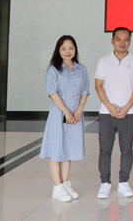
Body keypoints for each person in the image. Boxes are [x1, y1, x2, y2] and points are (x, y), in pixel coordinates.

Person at [39, 35, 89, 202]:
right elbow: (52, 92)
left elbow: (85, 91)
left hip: (76, 113)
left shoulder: (81, 69)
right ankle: (57, 186)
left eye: (71, 48)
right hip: (60, 112)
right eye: (63, 48)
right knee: (56, 149)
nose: (68, 51)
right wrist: (66, 111)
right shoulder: (53, 69)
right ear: (58, 51)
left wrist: (79, 110)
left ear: (75, 49)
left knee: (68, 149)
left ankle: (65, 183)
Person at [95, 27, 133, 199]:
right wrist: (109, 106)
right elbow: (98, 85)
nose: (122, 43)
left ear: (130, 41)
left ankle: (124, 182)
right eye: (118, 39)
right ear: (112, 41)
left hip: (128, 114)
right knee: (105, 150)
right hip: (106, 113)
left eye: (126, 39)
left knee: (127, 149)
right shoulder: (104, 60)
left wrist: (127, 107)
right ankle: (105, 183)